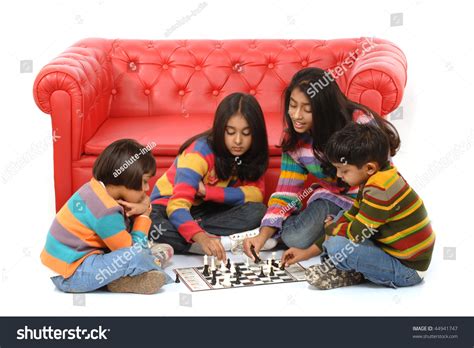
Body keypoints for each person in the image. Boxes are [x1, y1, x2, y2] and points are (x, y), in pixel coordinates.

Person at [244, 67, 399, 259]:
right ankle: (288, 229)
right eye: (292, 105)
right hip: (329, 201)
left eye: (307, 109)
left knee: (345, 238)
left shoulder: (360, 123)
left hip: (367, 204)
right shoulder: (294, 139)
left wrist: (363, 219)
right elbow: (287, 193)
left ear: (324, 109)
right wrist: (263, 235)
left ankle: (322, 229)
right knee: (296, 237)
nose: (297, 115)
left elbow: (385, 176)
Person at [283, 123, 435, 289]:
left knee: (337, 246)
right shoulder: (376, 178)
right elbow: (350, 217)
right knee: (342, 216)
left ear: (369, 168)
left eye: (344, 170)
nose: (339, 175)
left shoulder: (380, 188)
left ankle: (349, 271)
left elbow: (357, 234)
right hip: (393, 253)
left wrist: (331, 229)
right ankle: (350, 268)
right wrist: (306, 253)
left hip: (408, 270)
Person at [150, 93, 273, 261]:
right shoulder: (198, 152)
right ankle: (223, 243)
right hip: (167, 207)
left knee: (257, 211)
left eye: (246, 133)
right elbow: (176, 206)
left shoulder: (250, 154)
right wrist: (201, 237)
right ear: (220, 129)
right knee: (151, 226)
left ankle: (192, 238)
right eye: (230, 132)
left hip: (206, 210)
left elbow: (256, 194)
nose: (238, 141)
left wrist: (207, 192)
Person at [41, 139, 173, 294]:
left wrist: (144, 206)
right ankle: (148, 267)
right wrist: (143, 215)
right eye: (144, 182)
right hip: (73, 276)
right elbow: (132, 249)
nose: (147, 188)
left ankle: (127, 278)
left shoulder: (96, 190)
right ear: (126, 177)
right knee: (137, 254)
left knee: (153, 250)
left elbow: (123, 238)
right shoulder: (105, 210)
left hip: (70, 267)